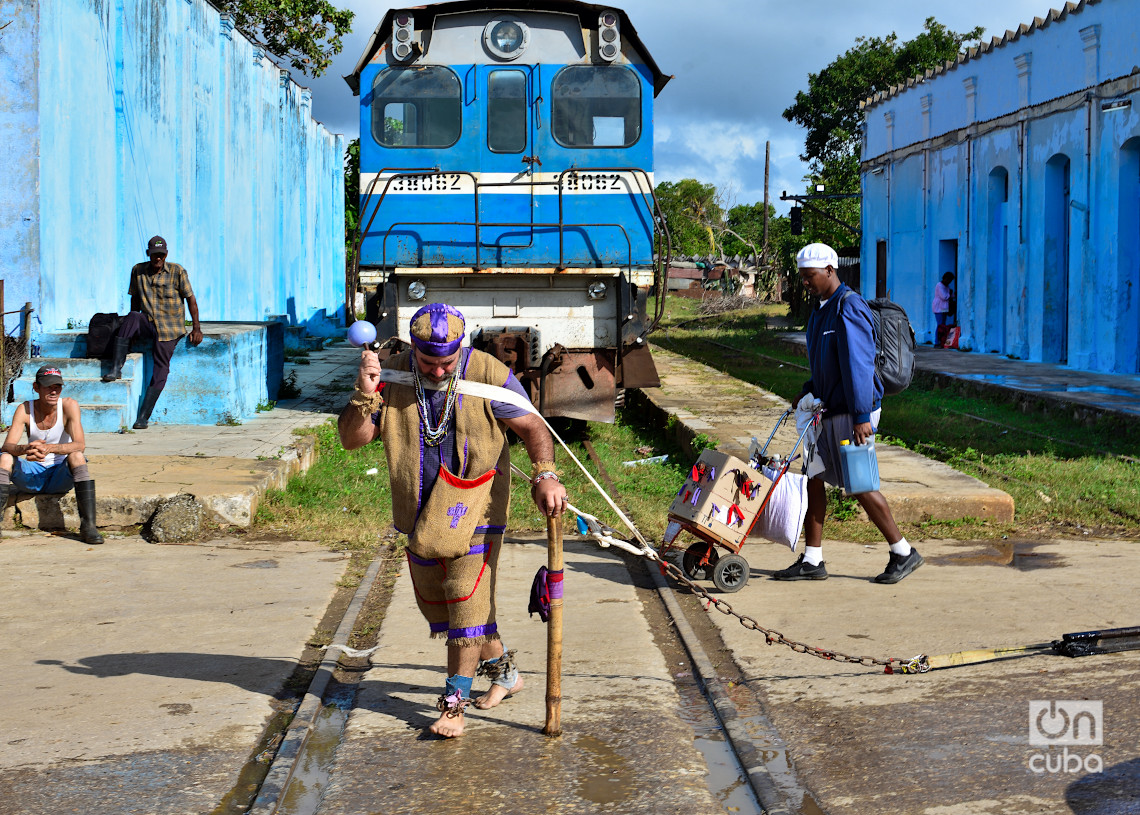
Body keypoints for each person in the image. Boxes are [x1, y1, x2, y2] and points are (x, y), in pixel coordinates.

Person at [338, 303, 567, 738]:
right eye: (428, 363)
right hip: (420, 510)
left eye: (446, 363)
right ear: (414, 350)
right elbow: (354, 440)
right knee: (447, 604)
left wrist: (546, 475)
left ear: (460, 351)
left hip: (476, 502)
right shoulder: (392, 372)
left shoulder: (489, 372)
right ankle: (505, 674)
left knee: (465, 594)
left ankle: (453, 705)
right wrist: (364, 392)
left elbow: (533, 427)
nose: (438, 373)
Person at [772, 243, 922, 584]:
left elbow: (858, 366)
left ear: (829, 270)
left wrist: (860, 417)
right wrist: (809, 386)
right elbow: (826, 361)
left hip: (854, 412)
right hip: (827, 409)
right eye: (802, 277)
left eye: (810, 276)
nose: (805, 283)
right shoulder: (820, 310)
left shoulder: (848, 306)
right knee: (814, 478)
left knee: (859, 484)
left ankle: (903, 552)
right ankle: (812, 560)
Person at [102, 235, 203, 429]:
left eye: (161, 255)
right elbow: (135, 302)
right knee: (132, 316)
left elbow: (191, 300)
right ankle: (116, 368)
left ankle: (143, 417)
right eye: (154, 255)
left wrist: (196, 328)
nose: (158, 259)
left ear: (166, 255)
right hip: (148, 322)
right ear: (148, 254)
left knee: (161, 367)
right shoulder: (138, 271)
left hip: (170, 327)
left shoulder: (177, 271)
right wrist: (130, 331)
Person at [1, 366, 104, 544]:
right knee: (5, 457)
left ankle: (88, 526)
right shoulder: (25, 409)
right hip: (32, 475)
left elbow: (80, 444)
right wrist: (26, 448)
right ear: (36, 387)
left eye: (57, 386)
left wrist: (51, 448)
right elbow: (7, 445)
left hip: (59, 476)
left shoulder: (69, 406)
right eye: (48, 386)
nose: (53, 390)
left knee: (77, 456)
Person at [933, 272, 954, 347]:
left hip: (944, 308)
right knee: (940, 325)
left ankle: (942, 341)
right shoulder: (939, 285)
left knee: (943, 326)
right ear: (944, 278)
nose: (949, 282)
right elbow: (944, 296)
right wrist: (950, 293)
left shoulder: (947, 286)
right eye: (948, 280)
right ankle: (937, 342)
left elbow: (950, 296)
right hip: (938, 308)